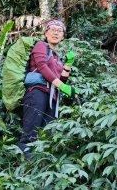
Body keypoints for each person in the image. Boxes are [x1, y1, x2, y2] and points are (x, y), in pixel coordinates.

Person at [18, 19, 79, 159]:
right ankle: (24, 167)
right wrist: (62, 87)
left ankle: (40, 165)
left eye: (60, 31)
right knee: (31, 132)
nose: (56, 33)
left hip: (52, 98)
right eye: (53, 30)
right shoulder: (40, 46)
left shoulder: (57, 57)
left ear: (63, 36)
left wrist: (68, 65)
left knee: (46, 133)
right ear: (46, 33)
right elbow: (42, 67)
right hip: (37, 92)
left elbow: (61, 79)